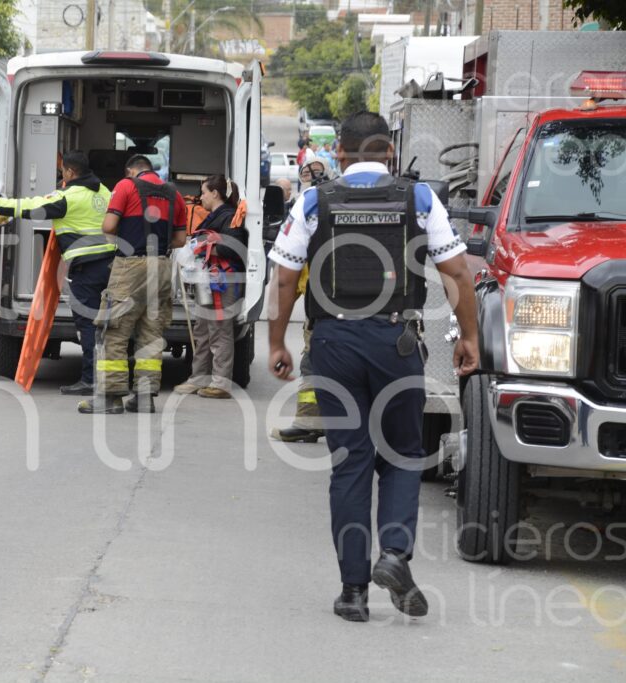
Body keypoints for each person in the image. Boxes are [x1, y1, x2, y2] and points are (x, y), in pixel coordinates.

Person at [267, 111, 479, 623]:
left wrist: (277, 342)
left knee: (351, 460)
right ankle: (394, 555)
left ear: (339, 152)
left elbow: (283, 280)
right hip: (396, 340)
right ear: (389, 152)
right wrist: (469, 335)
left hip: (335, 342)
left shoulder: (315, 200)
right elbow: (457, 274)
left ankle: (353, 593)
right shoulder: (420, 198)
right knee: (405, 452)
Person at [0, 151, 115, 395]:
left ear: (69, 172)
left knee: (87, 324)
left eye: (63, 172)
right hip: (109, 264)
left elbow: (32, 206)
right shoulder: (104, 192)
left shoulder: (67, 197)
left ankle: (91, 380)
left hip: (85, 268)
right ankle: (110, 378)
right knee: (108, 324)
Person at [79, 154, 188, 414]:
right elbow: (181, 239)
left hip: (131, 266)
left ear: (131, 171)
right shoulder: (175, 194)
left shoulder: (126, 186)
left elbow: (109, 225)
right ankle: (144, 398)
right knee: (151, 333)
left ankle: (110, 398)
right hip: (161, 266)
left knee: (113, 330)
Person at [269, 159, 336, 443]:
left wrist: (276, 340)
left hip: (323, 306)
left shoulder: (312, 208)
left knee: (313, 362)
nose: (311, 176)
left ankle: (309, 421)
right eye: (307, 172)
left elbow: (290, 272)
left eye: (316, 172)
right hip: (348, 304)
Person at [173, 175, 247, 399]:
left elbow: (233, 249)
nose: (201, 197)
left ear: (215, 193)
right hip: (209, 281)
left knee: (219, 332)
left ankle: (221, 383)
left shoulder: (230, 217)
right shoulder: (214, 217)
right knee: (202, 331)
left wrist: (200, 250)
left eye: (204, 192)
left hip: (223, 282)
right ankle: (198, 378)